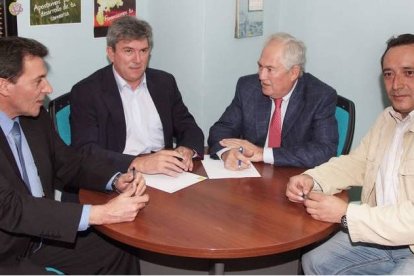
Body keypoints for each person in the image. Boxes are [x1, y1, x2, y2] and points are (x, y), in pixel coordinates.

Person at [0, 36, 149, 274]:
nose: (48, 88)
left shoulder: (34, 119)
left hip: (40, 237)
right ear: (4, 86)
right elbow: (10, 208)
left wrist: (115, 178)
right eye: (38, 81)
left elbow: (68, 164)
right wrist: (100, 213)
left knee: (120, 247)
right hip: (6, 254)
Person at [286, 33, 414, 274]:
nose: (396, 84)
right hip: (380, 235)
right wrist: (313, 178)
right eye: (389, 74)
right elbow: (358, 163)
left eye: (409, 72)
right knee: (315, 260)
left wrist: (346, 214)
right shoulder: (388, 119)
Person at [70, 16, 204, 177]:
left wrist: (187, 148)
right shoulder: (87, 91)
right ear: (111, 53)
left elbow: (188, 125)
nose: (138, 60)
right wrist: (137, 163)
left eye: (143, 51)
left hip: (165, 173)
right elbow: (86, 150)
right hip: (118, 174)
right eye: (129, 51)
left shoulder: (164, 82)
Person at [208, 33, 338, 170]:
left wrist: (263, 154)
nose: (261, 76)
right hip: (251, 177)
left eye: (270, 69)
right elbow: (220, 130)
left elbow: (325, 150)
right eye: (260, 66)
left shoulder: (319, 96)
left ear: (294, 72)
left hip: (294, 178)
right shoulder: (248, 87)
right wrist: (227, 153)